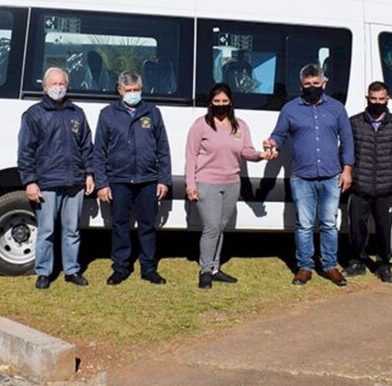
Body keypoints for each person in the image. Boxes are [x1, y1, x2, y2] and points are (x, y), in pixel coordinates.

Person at [264, 63, 354, 286]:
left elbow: (348, 140)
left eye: (316, 83)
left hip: (331, 176)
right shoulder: (290, 109)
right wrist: (272, 142)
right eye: (307, 84)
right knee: (304, 225)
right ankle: (305, 267)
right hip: (302, 177)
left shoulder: (337, 108)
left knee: (329, 224)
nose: (312, 87)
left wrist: (347, 170)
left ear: (324, 83)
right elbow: (280, 134)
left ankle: (330, 266)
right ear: (301, 85)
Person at [185, 83, 272, 289]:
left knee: (221, 227)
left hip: (232, 183)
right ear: (210, 103)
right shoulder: (201, 125)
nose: (221, 105)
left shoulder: (240, 126)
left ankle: (215, 268)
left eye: (224, 102)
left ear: (231, 102)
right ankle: (205, 270)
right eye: (217, 102)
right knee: (211, 227)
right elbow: (191, 156)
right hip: (207, 183)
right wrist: (190, 184)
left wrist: (261, 155)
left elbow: (246, 151)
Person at [17, 67, 94, 289]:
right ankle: (43, 272)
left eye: (62, 84)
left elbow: (87, 146)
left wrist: (89, 173)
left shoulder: (77, 113)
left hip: (75, 182)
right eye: (54, 84)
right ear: (45, 87)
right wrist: (30, 181)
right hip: (47, 182)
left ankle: (72, 270)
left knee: (72, 230)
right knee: (46, 230)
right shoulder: (33, 115)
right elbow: (25, 151)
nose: (58, 88)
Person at [94, 70, 172, 285]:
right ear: (120, 91)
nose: (133, 94)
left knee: (148, 226)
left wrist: (163, 179)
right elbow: (99, 151)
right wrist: (102, 184)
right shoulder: (108, 114)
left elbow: (163, 148)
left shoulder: (152, 112)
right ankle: (120, 267)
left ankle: (148, 268)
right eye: (129, 90)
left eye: (137, 90)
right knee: (120, 225)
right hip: (118, 180)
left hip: (147, 180)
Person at [345, 81, 392, 283]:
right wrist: (350, 175)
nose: (377, 102)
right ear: (367, 99)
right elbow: (346, 151)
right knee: (357, 228)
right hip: (360, 186)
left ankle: (384, 265)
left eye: (381, 99)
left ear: (387, 99)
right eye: (374, 99)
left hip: (385, 188)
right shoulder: (354, 123)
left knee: (384, 229)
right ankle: (357, 262)